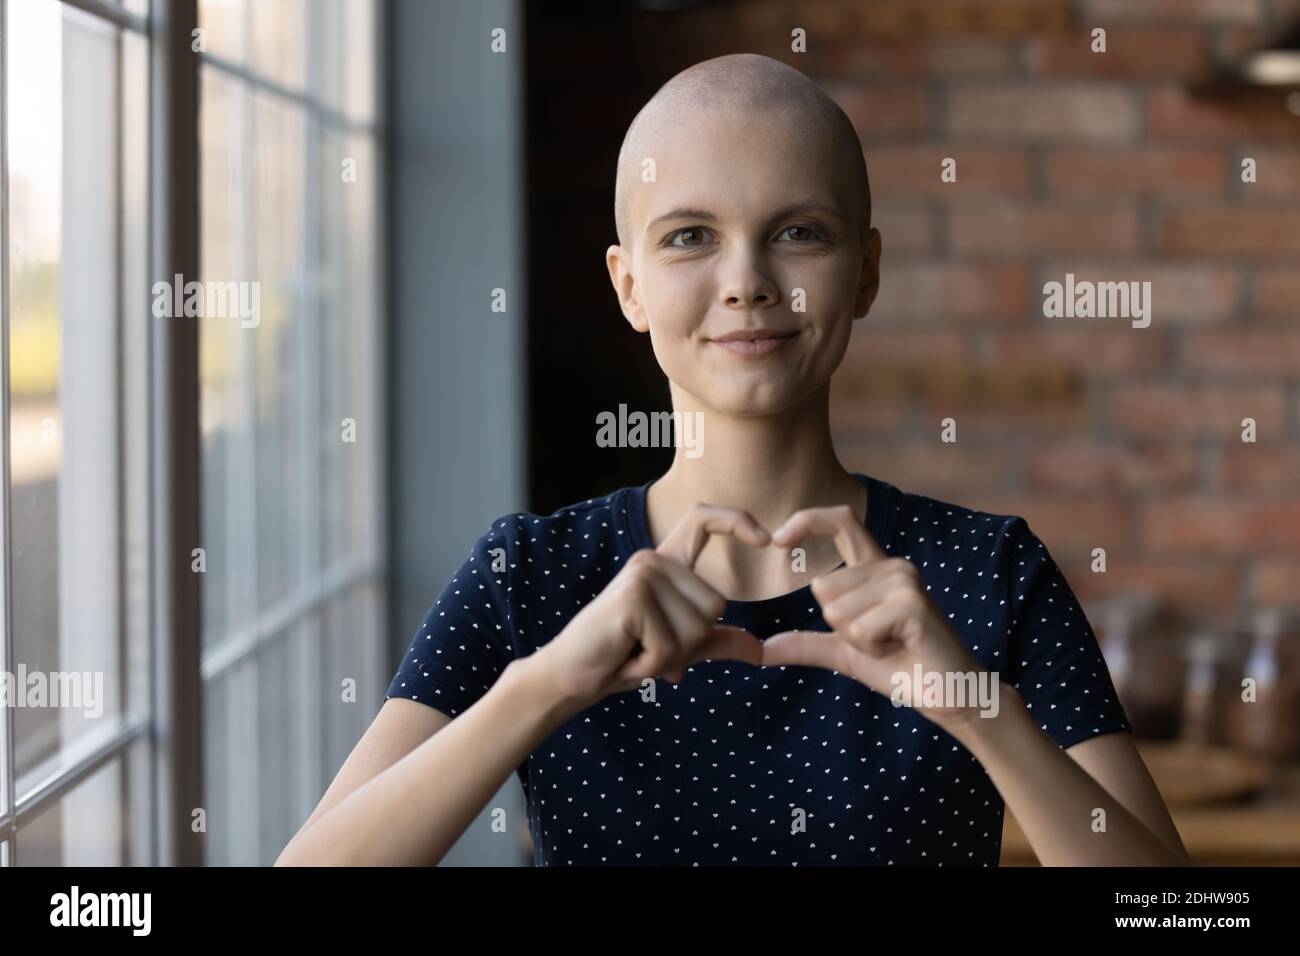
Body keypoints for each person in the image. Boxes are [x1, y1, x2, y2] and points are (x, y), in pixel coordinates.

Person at [276, 53, 1189, 867]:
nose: (747, 279)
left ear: (865, 274)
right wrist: (544, 687)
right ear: (628, 286)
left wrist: (979, 712)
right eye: (689, 236)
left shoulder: (992, 574)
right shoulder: (530, 580)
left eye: (800, 232)